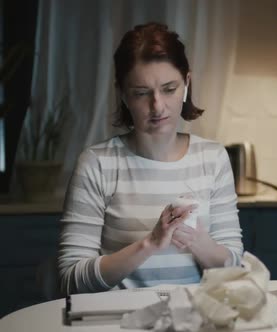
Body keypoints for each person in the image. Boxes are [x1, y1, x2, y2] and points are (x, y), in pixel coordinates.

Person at [57, 22, 243, 295]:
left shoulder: (213, 158)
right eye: (141, 93)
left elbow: (235, 269)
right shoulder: (97, 163)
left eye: (169, 89)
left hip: (195, 319)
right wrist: (150, 243)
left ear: (187, 84)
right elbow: (71, 278)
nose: (157, 106)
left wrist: (199, 242)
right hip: (116, 320)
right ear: (122, 94)